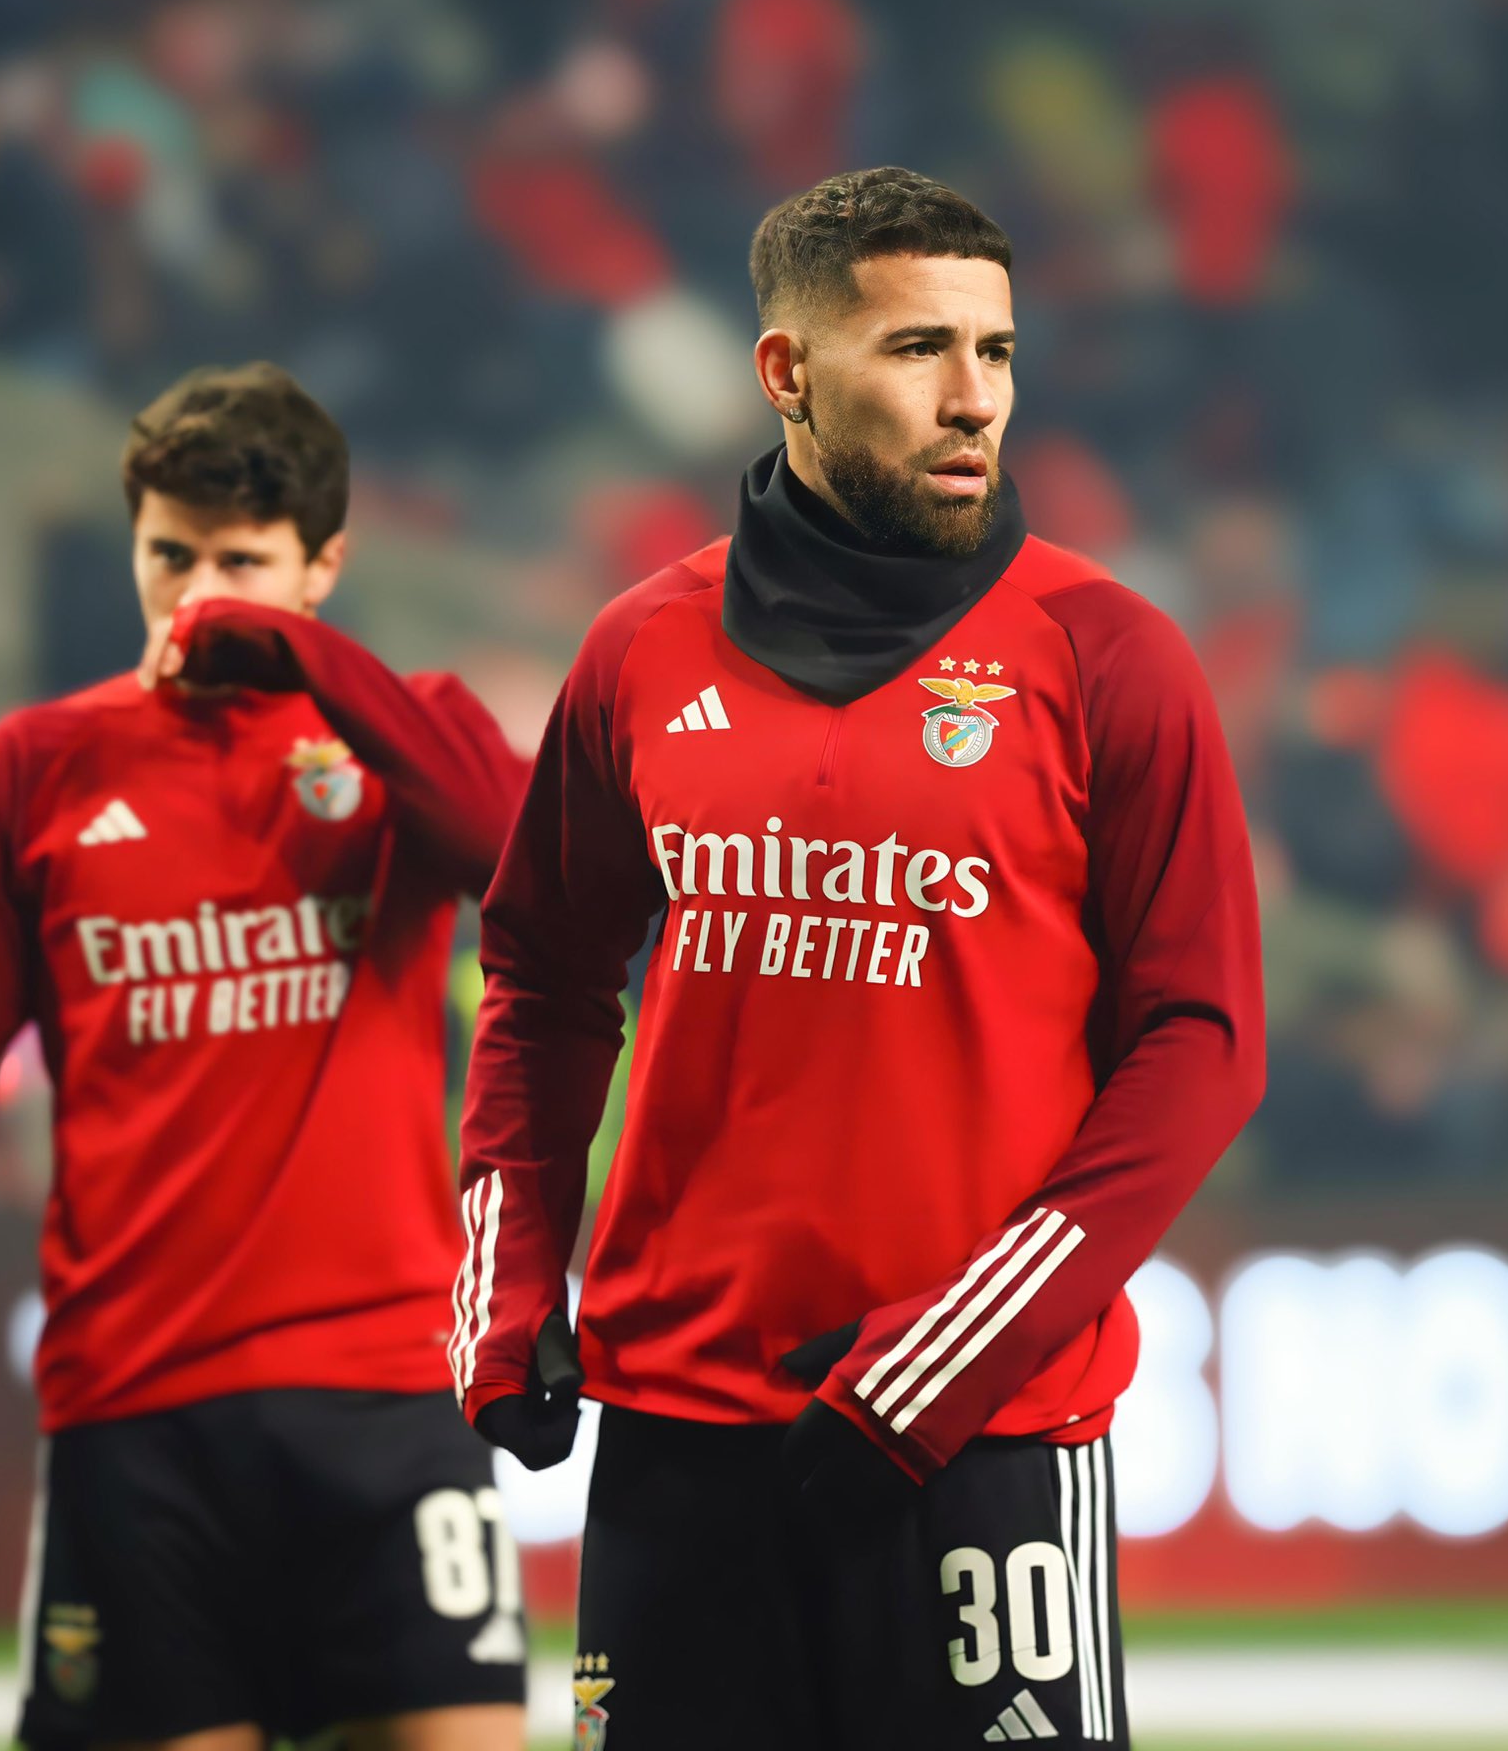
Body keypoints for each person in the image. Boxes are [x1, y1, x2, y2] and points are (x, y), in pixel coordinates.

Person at [454, 167, 1266, 1749]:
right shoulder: (639, 649)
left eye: (998, 351)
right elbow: (543, 977)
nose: (976, 399)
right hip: (679, 1430)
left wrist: (951, 1355)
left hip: (981, 1440)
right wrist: (508, 1284)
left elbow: (1202, 1044)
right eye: (916, 350)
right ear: (788, 372)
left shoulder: (1111, 657)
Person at [0, 364, 531, 1751]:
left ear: (323, 566)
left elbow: (519, 856)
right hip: (140, 1413)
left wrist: (309, 668)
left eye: (242, 564)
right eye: (171, 557)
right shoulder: (41, 765)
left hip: (391, 1396)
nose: (198, 599)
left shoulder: (403, 736)